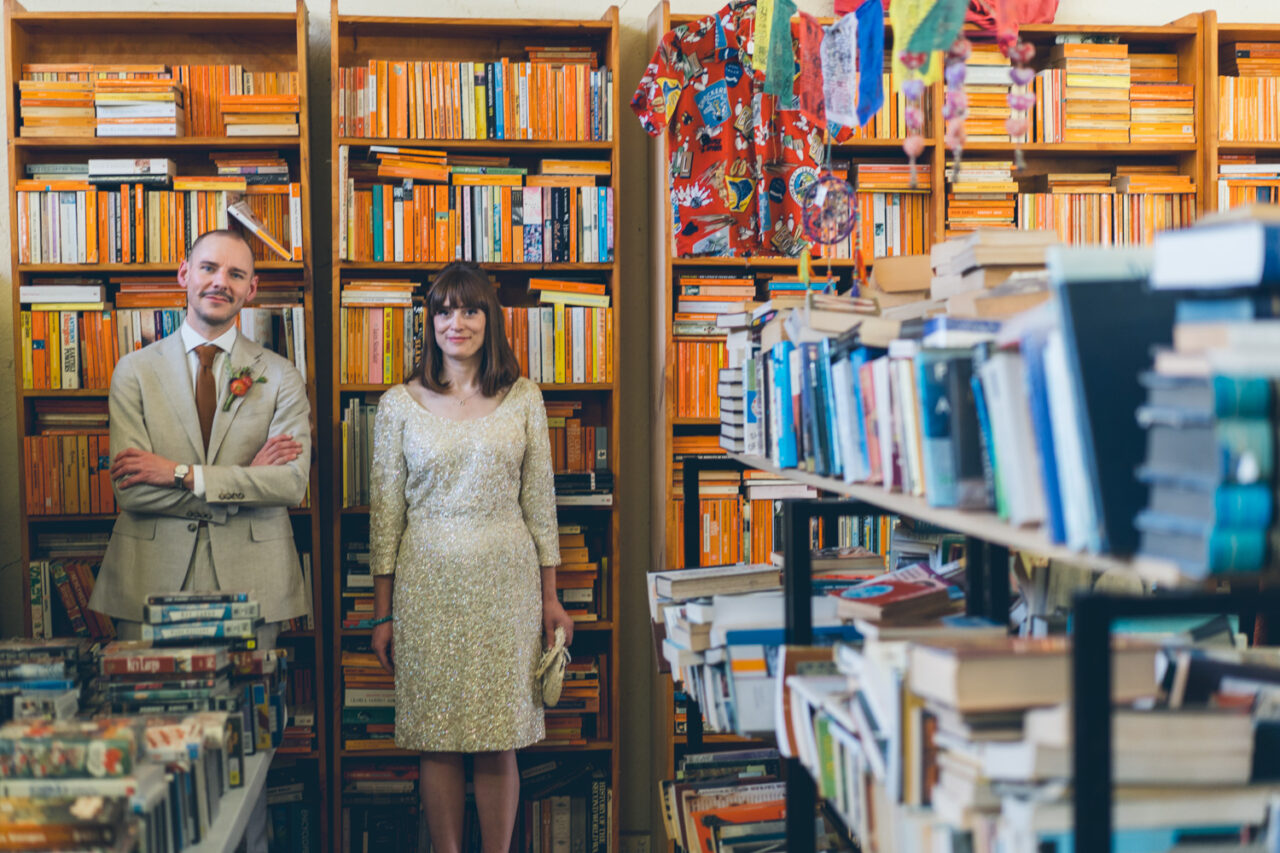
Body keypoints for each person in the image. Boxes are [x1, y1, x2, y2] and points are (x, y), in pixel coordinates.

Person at [88, 229, 312, 853]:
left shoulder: (279, 375)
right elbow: (134, 491)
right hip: (150, 580)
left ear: (252, 289)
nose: (222, 282)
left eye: (237, 274)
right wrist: (247, 480)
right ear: (184, 272)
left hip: (254, 585)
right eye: (210, 267)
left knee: (249, 753)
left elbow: (290, 482)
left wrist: (180, 472)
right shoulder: (134, 371)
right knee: (153, 756)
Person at [369, 260, 575, 853]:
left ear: (491, 320)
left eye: (470, 309)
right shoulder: (397, 405)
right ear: (429, 322)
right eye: (443, 310)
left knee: (498, 734)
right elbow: (386, 519)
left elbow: (540, 504)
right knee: (437, 735)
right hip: (426, 582)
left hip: (506, 582)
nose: (455, 322)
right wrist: (382, 615)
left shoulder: (524, 398)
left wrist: (551, 596)